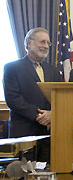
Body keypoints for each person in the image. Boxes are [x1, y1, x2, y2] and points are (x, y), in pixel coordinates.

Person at [3, 27, 61, 162]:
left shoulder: (53, 70)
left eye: (48, 43)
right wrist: (39, 116)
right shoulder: (12, 68)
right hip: (25, 133)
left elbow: (60, 98)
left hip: (50, 133)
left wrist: (52, 114)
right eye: (42, 42)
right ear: (29, 43)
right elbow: (13, 99)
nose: (46, 46)